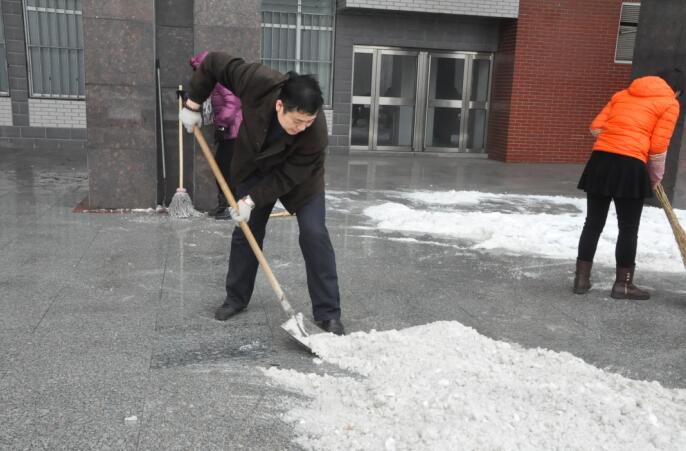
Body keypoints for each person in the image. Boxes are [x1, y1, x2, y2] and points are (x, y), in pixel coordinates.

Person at [179, 52, 344, 335]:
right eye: (298, 121)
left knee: (314, 234)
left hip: (300, 179)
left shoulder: (315, 133)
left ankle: (328, 312)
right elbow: (214, 63)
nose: (302, 127)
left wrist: (251, 200)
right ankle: (236, 298)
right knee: (247, 231)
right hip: (254, 165)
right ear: (280, 105)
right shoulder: (257, 81)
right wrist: (193, 103)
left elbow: (289, 176)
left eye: (309, 121)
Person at [573, 68, 682, 300]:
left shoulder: (621, 95)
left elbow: (595, 127)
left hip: (600, 161)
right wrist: (655, 177)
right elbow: (658, 147)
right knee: (628, 228)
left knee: (592, 223)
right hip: (631, 165)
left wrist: (618, 133)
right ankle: (623, 285)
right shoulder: (669, 103)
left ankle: (581, 280)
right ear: (677, 90)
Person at [189, 51, 242, 220]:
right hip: (227, 131)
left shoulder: (221, 80)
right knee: (222, 167)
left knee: (226, 169)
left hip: (234, 131)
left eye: (199, 70)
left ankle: (230, 206)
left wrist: (221, 126)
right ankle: (225, 204)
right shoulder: (214, 83)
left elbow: (233, 103)